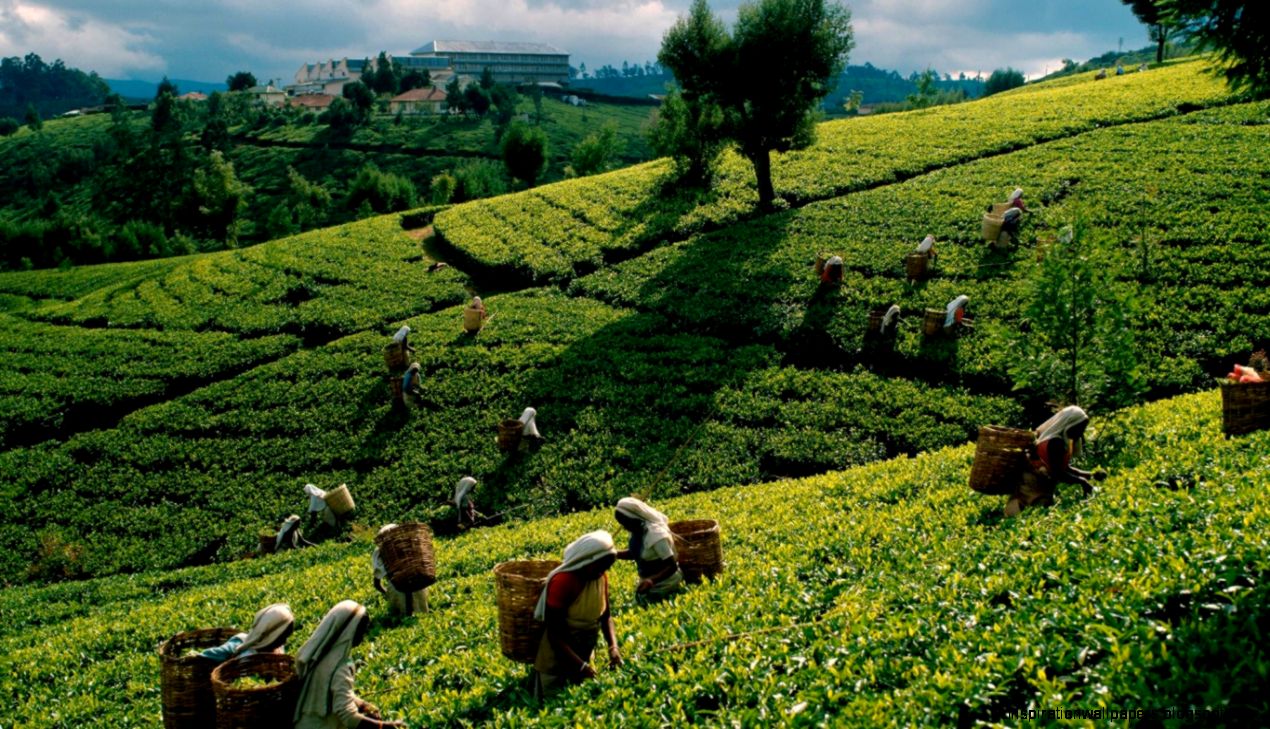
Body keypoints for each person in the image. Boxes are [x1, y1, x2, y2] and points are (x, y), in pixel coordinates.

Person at [532, 531, 621, 697]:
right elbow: (555, 635)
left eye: (607, 567)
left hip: (584, 652)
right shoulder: (564, 581)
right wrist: (580, 667)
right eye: (601, 566)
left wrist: (613, 647)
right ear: (586, 561)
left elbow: (606, 616)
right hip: (557, 660)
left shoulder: (600, 576)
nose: (603, 571)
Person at [294, 601, 405, 729]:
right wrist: (384, 726)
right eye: (361, 631)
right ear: (349, 631)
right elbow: (347, 715)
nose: (363, 637)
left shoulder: (317, 656)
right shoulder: (341, 666)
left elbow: (331, 691)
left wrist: (362, 704)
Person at [1006, 406, 1096, 517]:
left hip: (1039, 485)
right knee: (1031, 514)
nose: (1081, 432)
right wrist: (1082, 481)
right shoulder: (1055, 442)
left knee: (1035, 512)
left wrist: (1089, 475)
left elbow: (1064, 467)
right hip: (1033, 485)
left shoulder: (1060, 440)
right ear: (1070, 424)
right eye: (1080, 427)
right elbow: (1058, 473)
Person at [614, 497, 683, 605]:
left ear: (634, 518)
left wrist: (652, 581)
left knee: (643, 605)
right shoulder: (637, 531)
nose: (624, 528)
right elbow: (636, 553)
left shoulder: (656, 535)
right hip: (647, 581)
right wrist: (614, 554)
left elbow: (672, 566)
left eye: (625, 523)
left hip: (666, 582)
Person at [201, 603, 296, 662]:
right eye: (282, 638)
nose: (285, 642)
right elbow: (207, 655)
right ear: (270, 634)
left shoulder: (277, 649)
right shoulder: (239, 645)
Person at [372, 525, 428, 616]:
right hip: (418, 586)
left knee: (400, 621)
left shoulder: (380, 552)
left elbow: (376, 584)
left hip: (396, 588)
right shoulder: (410, 545)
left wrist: (386, 593)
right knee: (421, 619)